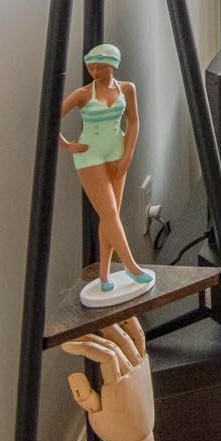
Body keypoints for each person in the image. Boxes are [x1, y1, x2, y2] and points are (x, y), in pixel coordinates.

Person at [60, 45, 153, 297]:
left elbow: (133, 121)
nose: (94, 71)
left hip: (116, 152)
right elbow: (51, 118)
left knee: (110, 217)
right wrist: (67, 145)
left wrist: (127, 155)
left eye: (99, 66)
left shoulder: (127, 88)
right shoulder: (82, 94)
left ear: (112, 65)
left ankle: (104, 274)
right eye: (90, 67)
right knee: (109, 212)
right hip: (90, 155)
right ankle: (131, 266)